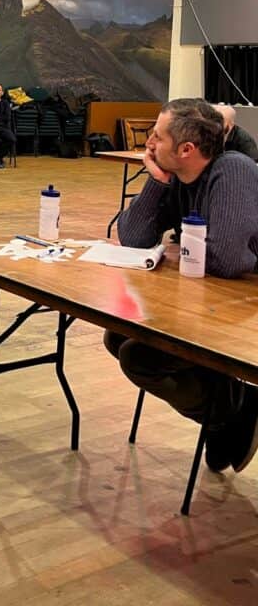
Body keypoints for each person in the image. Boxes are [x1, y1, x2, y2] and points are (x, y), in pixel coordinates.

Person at [104, 98, 258, 473]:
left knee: (139, 357)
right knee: (117, 336)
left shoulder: (233, 171)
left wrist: (179, 246)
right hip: (208, 299)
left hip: (244, 305)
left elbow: (228, 261)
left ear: (186, 150)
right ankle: (235, 409)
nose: (149, 143)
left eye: (157, 136)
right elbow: (135, 238)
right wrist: (157, 181)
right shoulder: (180, 179)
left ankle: (232, 415)